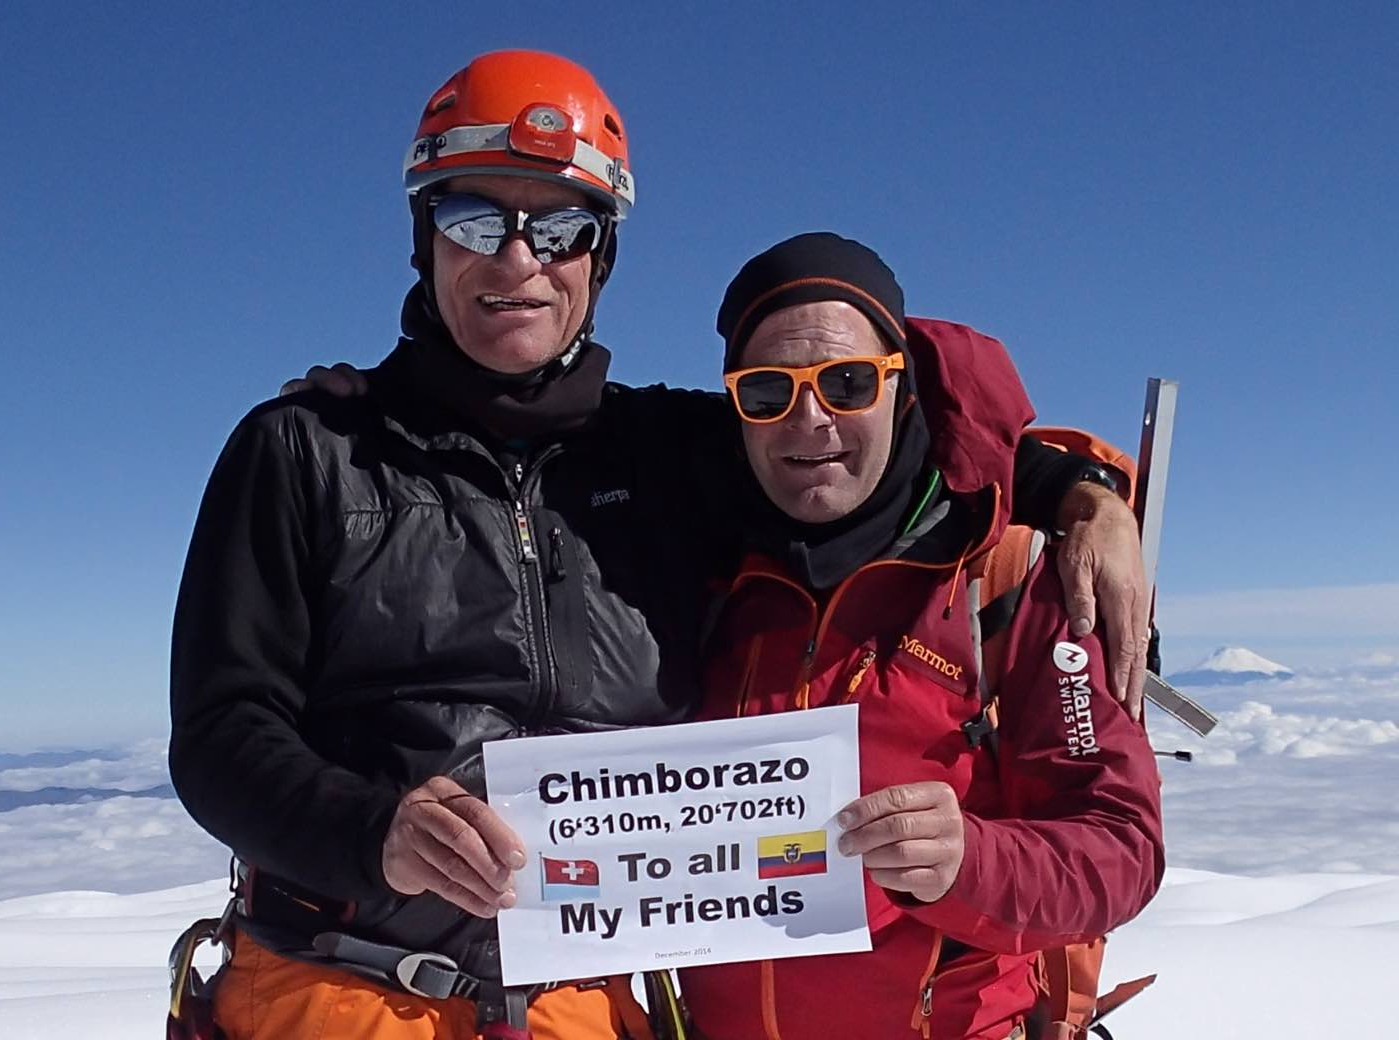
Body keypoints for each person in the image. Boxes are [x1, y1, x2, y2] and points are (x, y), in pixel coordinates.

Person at [170, 50, 1152, 1040]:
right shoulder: (306, 452)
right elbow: (220, 736)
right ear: (424, 240)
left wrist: (1077, 488)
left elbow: (857, 437)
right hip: (335, 989)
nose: (518, 262)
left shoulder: (667, 456)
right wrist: (373, 831)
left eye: (558, 227)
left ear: (600, 255)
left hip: (579, 1005)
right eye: (475, 219)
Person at [675, 233, 1163, 1040]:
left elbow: (1121, 849)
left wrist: (969, 863)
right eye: (766, 391)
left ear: (902, 389)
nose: (809, 419)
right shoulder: (696, 574)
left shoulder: (1011, 576)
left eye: (848, 383)